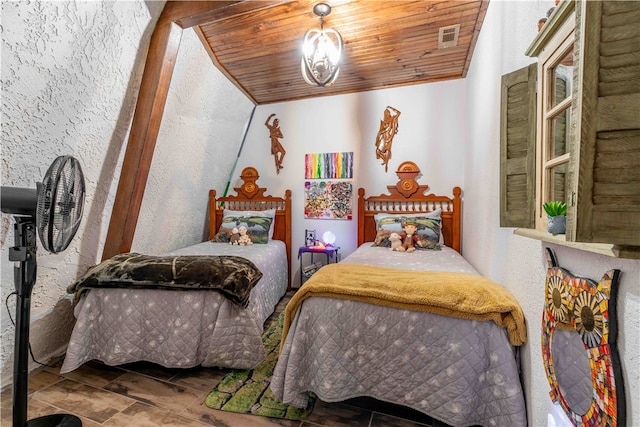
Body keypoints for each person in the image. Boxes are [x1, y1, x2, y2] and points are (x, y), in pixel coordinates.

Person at [375, 106, 401, 172]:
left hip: (389, 137)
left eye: (387, 112)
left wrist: (391, 108)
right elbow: (381, 130)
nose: (386, 114)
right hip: (383, 137)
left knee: (387, 150)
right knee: (378, 150)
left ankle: (386, 163)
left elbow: (398, 113)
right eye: (385, 113)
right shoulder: (384, 121)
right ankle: (384, 159)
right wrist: (381, 133)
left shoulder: (392, 119)